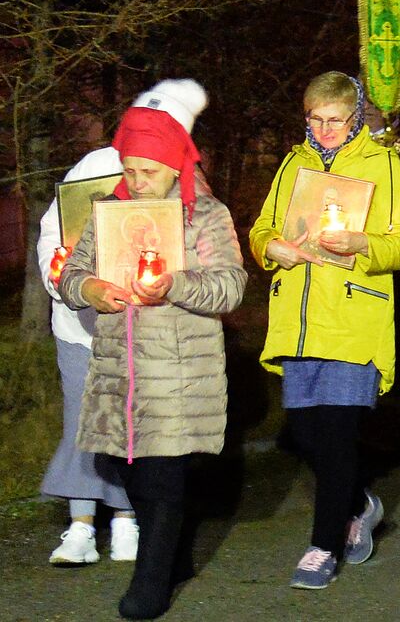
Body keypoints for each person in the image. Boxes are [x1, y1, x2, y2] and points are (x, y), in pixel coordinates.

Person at [58, 103, 245, 620]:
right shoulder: (107, 212)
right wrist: (90, 288)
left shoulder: (206, 215)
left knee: (162, 477)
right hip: (121, 369)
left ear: (174, 169)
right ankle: (176, 554)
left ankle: (150, 584)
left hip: (179, 371)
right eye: (130, 169)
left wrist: (175, 285)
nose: (138, 181)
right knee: (127, 469)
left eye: (150, 171)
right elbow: (71, 273)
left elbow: (231, 286)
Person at [251, 72, 400, 590]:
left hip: (353, 320)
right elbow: (261, 229)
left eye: (335, 120)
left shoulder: (382, 163)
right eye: (315, 119)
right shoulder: (292, 163)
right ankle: (359, 502)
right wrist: (268, 248)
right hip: (299, 326)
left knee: (339, 437)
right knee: (305, 436)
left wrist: (362, 243)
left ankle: (322, 547)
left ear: (355, 118)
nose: (324, 130)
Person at [36, 80, 207, 569]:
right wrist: (64, 275)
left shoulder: (183, 179)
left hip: (145, 327)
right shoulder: (94, 167)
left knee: (136, 425)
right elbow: (56, 229)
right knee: (84, 424)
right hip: (84, 324)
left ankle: (128, 517)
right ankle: (82, 524)